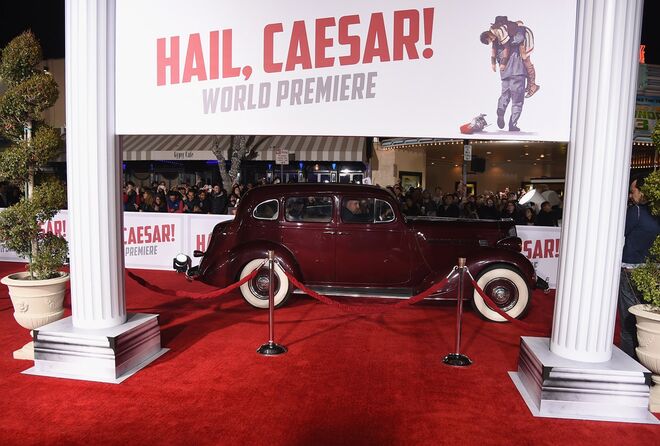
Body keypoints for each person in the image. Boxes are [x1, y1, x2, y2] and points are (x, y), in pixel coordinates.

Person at [618, 176, 660, 359]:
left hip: (630, 270)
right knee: (645, 320)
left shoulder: (636, 212)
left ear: (643, 191)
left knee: (629, 322)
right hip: (652, 272)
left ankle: (627, 364)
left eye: (633, 191)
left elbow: (620, 233)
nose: (630, 195)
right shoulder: (656, 214)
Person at [480, 17, 528, 131]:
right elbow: (521, 39)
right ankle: (513, 124)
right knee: (517, 100)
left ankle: (501, 109)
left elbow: (494, 52)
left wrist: (494, 63)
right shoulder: (515, 36)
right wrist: (520, 27)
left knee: (505, 94)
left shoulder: (497, 40)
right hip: (517, 71)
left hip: (505, 72)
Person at [481, 16, 540, 98]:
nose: (492, 40)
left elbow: (507, 48)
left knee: (525, 59)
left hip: (524, 36)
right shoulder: (493, 32)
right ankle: (529, 85)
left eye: (491, 38)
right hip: (517, 38)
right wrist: (493, 63)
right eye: (490, 40)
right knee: (521, 60)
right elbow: (494, 47)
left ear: (488, 34)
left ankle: (533, 85)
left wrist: (503, 63)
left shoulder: (498, 31)